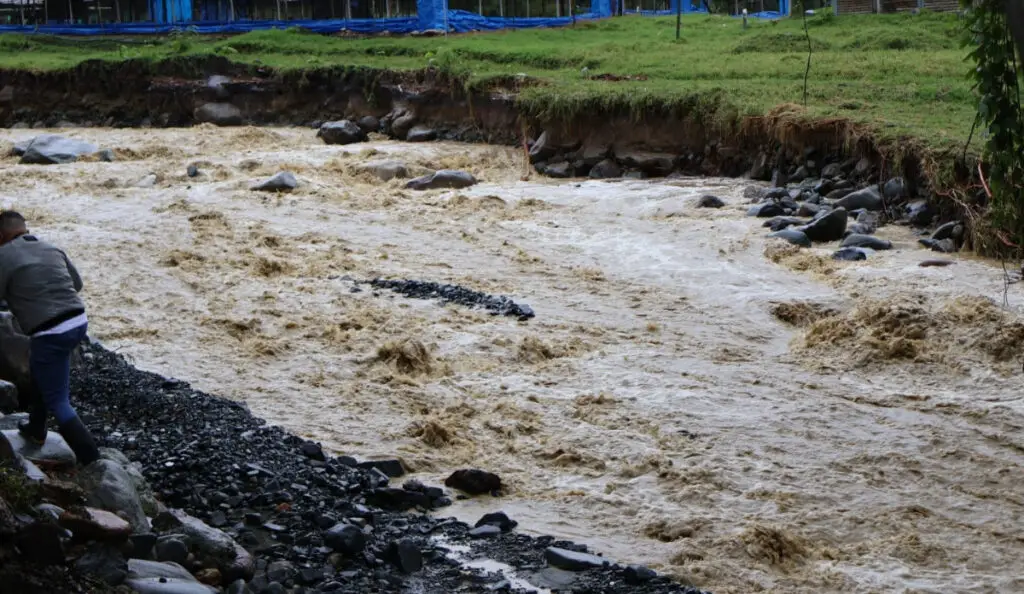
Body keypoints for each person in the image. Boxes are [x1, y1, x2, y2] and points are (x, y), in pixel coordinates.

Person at [0, 211, 98, 466]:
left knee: (59, 401)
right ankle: (36, 428)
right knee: (40, 369)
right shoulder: (51, 247)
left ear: (2, 235)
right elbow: (76, 284)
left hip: (50, 331)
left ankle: (93, 461)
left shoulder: (3, 255)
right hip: (77, 321)